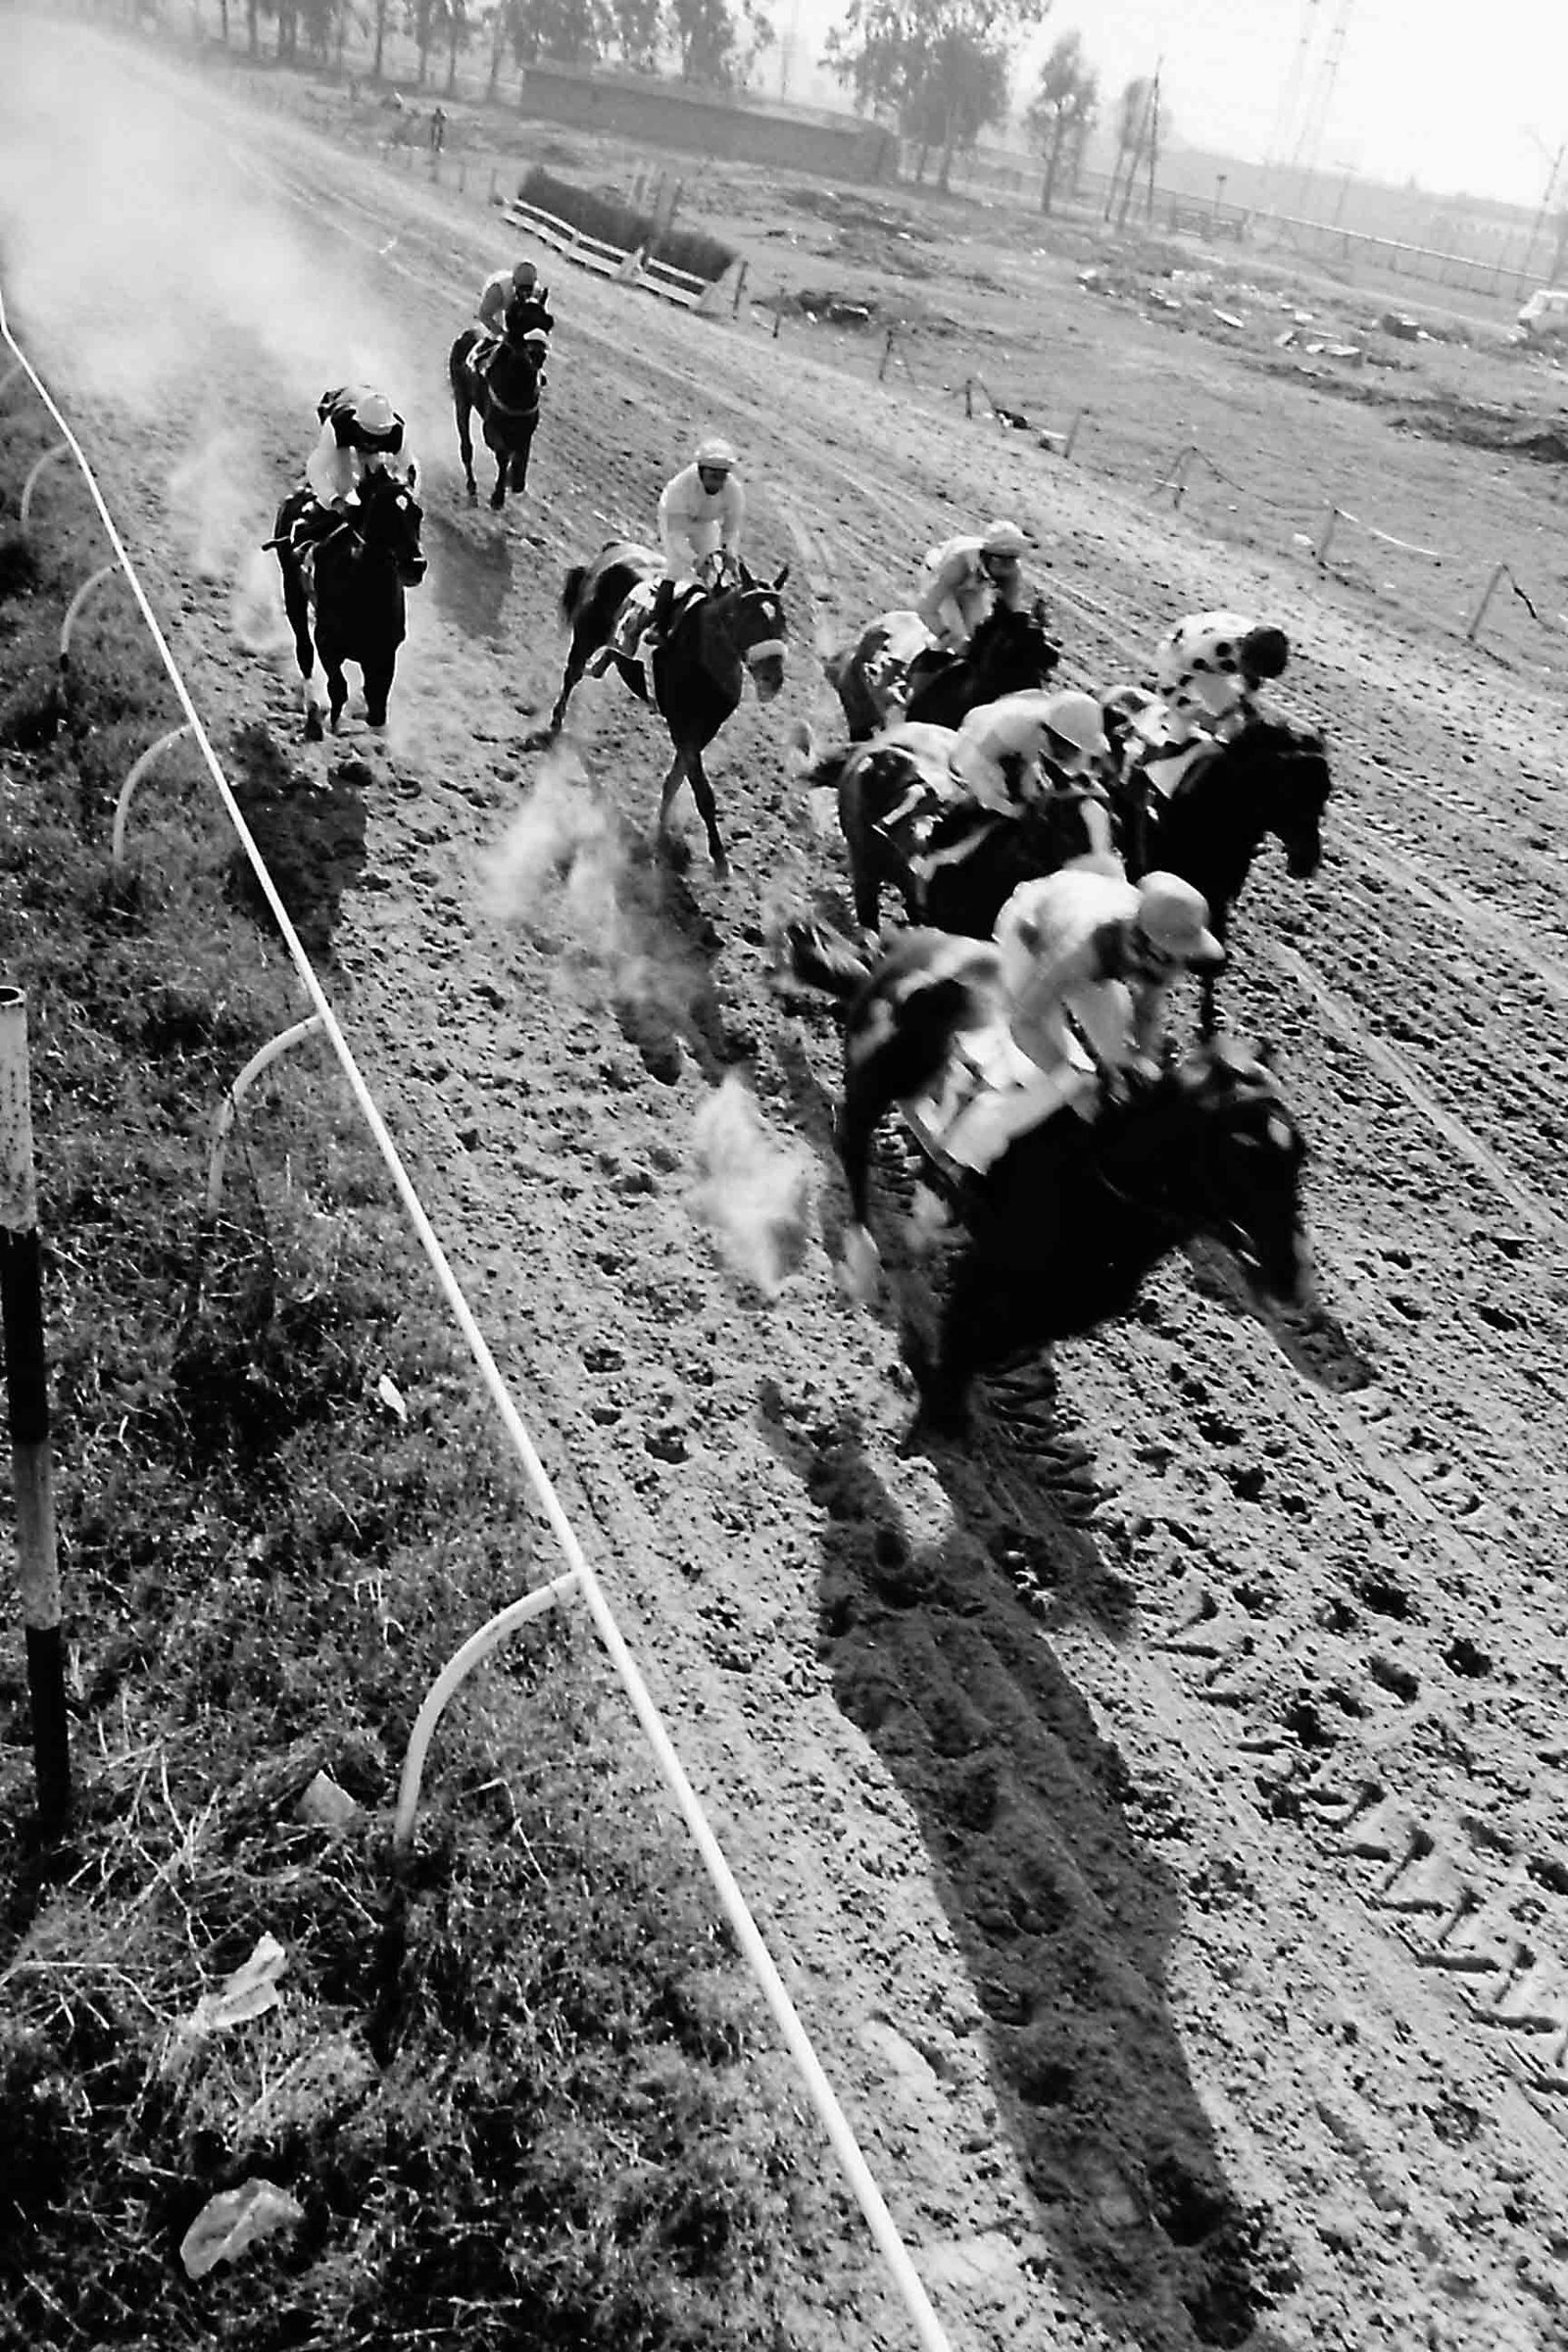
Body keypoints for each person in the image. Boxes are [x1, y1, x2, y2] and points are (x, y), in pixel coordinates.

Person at [936, 867, 1225, 1173]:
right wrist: (1071, 1086)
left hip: (1092, 953)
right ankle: (962, 1152)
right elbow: (1023, 1023)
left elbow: (1147, 1012)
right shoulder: (1082, 948)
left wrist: (1143, 1061)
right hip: (1030, 938)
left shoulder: (1158, 948)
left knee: (1118, 1061)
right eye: (1176, 953)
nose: (1181, 965)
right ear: (1151, 946)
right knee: (1047, 1082)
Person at [294, 384, 408, 550]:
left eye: (377, 438)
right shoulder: (338, 425)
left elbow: (411, 470)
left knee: (381, 482)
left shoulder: (398, 433)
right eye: (368, 436)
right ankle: (306, 541)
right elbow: (316, 468)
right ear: (359, 425)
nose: (372, 443)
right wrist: (335, 501)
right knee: (343, 483)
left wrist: (406, 497)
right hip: (338, 411)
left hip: (364, 404)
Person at [914, 518, 1029, 657]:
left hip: (972, 588)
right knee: (958, 636)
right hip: (938, 578)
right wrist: (945, 636)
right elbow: (926, 608)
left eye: (1011, 560)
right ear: (986, 556)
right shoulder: (958, 563)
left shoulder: (1013, 571)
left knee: (979, 635)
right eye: (1001, 560)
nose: (1006, 568)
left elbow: (1013, 613)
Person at [475, 259, 555, 346]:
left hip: (513, 307)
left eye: (528, 289)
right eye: (522, 288)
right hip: (499, 306)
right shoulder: (497, 291)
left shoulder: (537, 293)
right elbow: (484, 316)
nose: (525, 293)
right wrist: (502, 333)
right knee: (495, 337)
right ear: (514, 283)